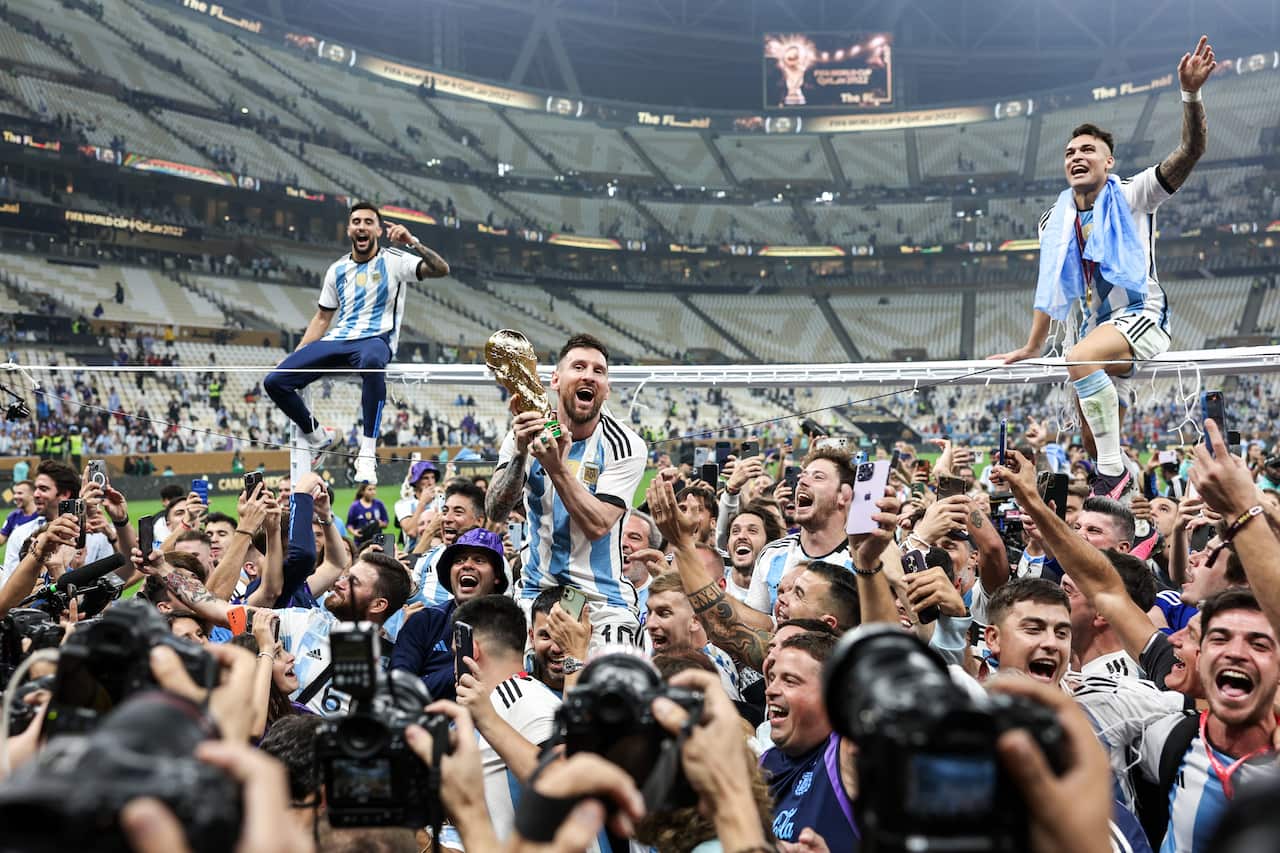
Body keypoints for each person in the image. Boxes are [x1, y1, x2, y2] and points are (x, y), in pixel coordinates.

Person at [991, 36, 1216, 499]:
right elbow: (1051, 286)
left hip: (1137, 318)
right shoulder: (1054, 219)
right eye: (1070, 152)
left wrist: (1190, 95)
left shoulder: (1134, 193)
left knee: (1081, 368)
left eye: (1088, 150)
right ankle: (1131, 502)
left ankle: (1113, 475)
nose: (1077, 156)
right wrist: (1033, 345)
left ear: (1108, 161)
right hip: (1089, 331)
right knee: (1094, 443)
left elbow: (1190, 150)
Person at [264, 202, 449, 484]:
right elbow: (323, 318)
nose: (361, 226)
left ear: (377, 229)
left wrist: (413, 242)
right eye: (356, 222)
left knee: (373, 363)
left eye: (368, 221)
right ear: (349, 229)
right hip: (338, 340)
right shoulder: (336, 270)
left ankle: (367, 452)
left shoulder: (395, 260)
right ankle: (318, 436)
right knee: (275, 381)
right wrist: (296, 354)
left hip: (375, 340)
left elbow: (441, 270)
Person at [486, 333, 648, 648]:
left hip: (600, 599)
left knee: (615, 687)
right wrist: (520, 454)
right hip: (535, 592)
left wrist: (557, 468)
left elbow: (598, 525)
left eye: (598, 371)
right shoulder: (524, 433)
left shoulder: (625, 445)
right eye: (579, 366)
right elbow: (495, 511)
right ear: (556, 380)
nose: (589, 375)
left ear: (607, 389)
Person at [389, 527, 509, 701]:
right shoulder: (425, 621)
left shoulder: (511, 628)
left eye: (479, 560)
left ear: (496, 575)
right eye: (459, 560)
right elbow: (398, 689)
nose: (467, 565)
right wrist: (462, 669)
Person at [345, 482, 388, 547]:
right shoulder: (355, 506)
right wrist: (354, 532)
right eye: (370, 489)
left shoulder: (379, 504)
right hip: (360, 541)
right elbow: (349, 524)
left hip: (377, 541)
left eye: (374, 489)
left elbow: (386, 522)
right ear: (362, 491)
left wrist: (380, 524)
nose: (373, 492)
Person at [0, 479, 37, 546]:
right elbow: (1, 538)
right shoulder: (13, 516)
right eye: (15, 493)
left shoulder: (42, 516)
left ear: (32, 495)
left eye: (20, 493)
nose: (15, 496)